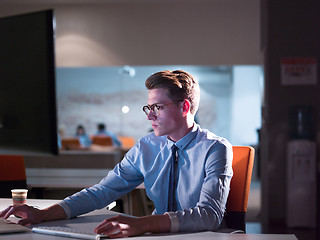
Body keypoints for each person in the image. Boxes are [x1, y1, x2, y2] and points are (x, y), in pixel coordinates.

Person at [0, 70, 233, 238]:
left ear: (184, 107)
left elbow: (209, 215)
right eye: (148, 108)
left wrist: (142, 224)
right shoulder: (146, 147)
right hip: (156, 235)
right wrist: (45, 214)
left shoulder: (215, 148)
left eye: (157, 108)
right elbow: (103, 191)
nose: (149, 116)